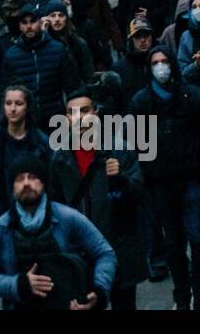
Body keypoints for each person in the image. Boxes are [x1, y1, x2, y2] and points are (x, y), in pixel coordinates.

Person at [127, 46, 200, 310]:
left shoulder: (191, 96)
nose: (161, 67)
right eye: (155, 62)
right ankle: (182, 296)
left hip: (192, 179)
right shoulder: (141, 102)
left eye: (165, 61)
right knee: (173, 244)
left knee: (198, 238)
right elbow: (137, 145)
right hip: (160, 185)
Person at [48, 88, 147, 310]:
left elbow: (139, 195)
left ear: (96, 113)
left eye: (84, 111)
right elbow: (53, 207)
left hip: (119, 248)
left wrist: (121, 179)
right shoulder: (60, 158)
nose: (79, 117)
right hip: (81, 254)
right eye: (72, 112)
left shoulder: (119, 149)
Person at [0, 155, 116, 310]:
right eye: (19, 179)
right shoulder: (2, 227)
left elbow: (105, 253)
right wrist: (19, 284)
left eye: (32, 177)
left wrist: (99, 290)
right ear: (12, 188)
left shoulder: (68, 217)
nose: (26, 183)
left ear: (43, 183)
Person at [0, 85, 53, 241]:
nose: (13, 109)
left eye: (18, 103)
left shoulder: (41, 142)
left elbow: (51, 185)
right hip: (2, 216)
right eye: (8, 103)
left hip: (36, 218)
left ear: (27, 107)